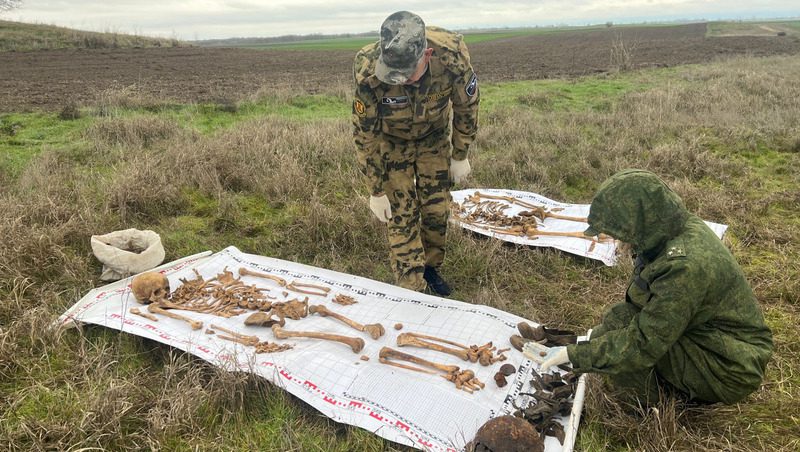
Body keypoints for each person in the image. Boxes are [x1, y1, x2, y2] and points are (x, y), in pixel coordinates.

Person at [539, 169, 773, 404]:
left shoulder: (683, 266)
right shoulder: (671, 229)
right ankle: (667, 383)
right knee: (616, 321)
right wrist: (586, 348)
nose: (615, 239)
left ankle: (644, 408)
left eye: (618, 232)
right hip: (714, 342)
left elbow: (644, 344)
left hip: (728, 367)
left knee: (623, 330)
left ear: (639, 222)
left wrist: (575, 355)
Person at [351, 11, 480, 296]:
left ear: (427, 53)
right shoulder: (368, 69)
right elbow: (365, 134)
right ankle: (411, 283)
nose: (401, 81)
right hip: (391, 141)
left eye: (408, 74)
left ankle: (431, 268)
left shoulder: (451, 56)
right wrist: (375, 189)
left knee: (436, 209)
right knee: (401, 211)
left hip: (433, 138)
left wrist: (460, 154)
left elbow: (467, 106)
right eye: (394, 75)